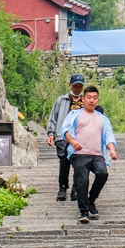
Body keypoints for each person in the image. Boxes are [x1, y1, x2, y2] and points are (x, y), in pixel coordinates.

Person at [61, 86, 118, 224]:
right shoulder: (75, 114)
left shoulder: (102, 118)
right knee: (83, 181)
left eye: (94, 98)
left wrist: (112, 150)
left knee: (102, 173)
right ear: (83, 99)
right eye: (89, 98)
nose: (91, 100)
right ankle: (84, 211)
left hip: (96, 154)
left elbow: (109, 136)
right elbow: (66, 130)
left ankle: (91, 200)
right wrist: (73, 142)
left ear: (98, 100)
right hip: (79, 154)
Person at [46, 73, 85, 201]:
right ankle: (62, 187)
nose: (77, 89)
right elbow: (53, 118)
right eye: (75, 86)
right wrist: (51, 134)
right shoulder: (61, 100)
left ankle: (76, 189)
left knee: (79, 163)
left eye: (80, 86)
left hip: (81, 136)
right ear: (70, 85)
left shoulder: (85, 100)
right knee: (64, 160)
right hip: (62, 135)